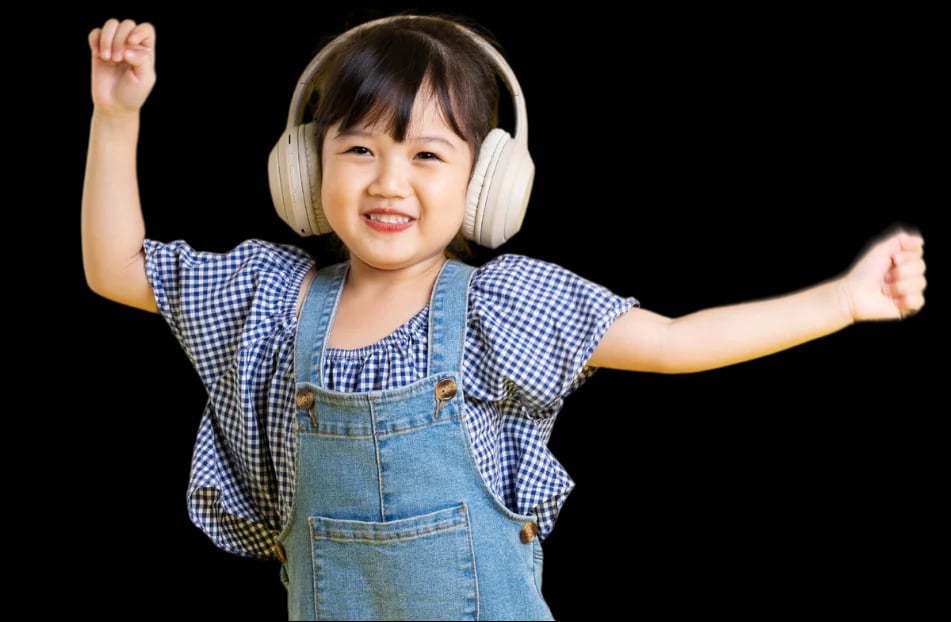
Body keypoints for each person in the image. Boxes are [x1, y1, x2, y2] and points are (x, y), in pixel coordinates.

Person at [81, 12, 927, 621]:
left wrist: (844, 301)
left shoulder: (500, 308)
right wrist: (116, 119)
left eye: (425, 155)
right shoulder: (271, 300)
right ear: (304, 167)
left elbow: (674, 344)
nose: (387, 181)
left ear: (486, 187)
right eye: (359, 149)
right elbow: (114, 270)